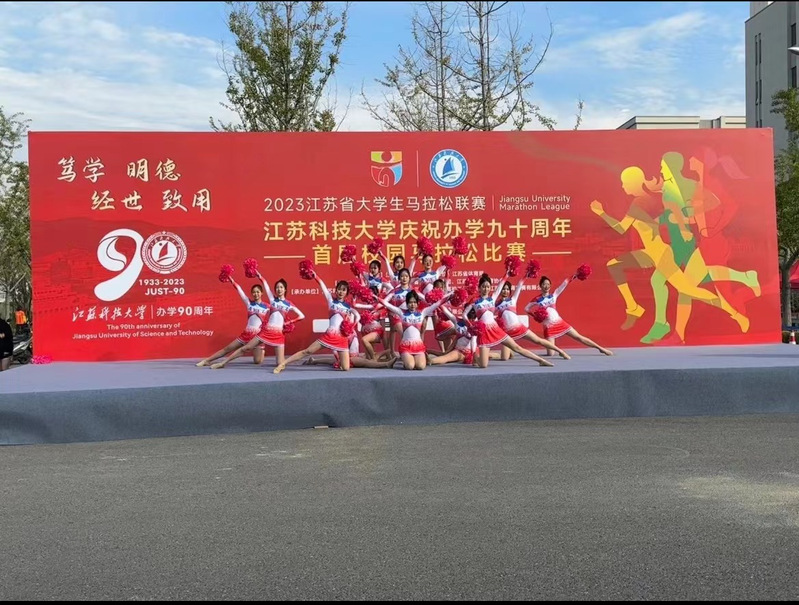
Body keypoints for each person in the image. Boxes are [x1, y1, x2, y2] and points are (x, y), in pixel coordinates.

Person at [209, 272, 304, 369]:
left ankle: (307, 361)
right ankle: (223, 363)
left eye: (281, 287)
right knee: (246, 348)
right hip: (266, 332)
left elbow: (301, 316)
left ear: (285, 289)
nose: (279, 289)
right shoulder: (272, 300)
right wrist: (258, 275)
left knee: (280, 363)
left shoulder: (289, 304)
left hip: (278, 334)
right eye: (277, 287)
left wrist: (289, 322)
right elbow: (265, 284)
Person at [464, 273, 554, 369]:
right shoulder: (474, 300)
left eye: (488, 287)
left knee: (517, 348)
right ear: (479, 288)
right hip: (484, 333)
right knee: (483, 365)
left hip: (496, 330)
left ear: (490, 288)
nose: (486, 289)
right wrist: (470, 325)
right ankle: (475, 357)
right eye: (483, 287)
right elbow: (464, 314)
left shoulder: (493, 298)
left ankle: (541, 360)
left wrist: (507, 273)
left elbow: (501, 284)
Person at [274, 274, 356, 373]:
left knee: (346, 368)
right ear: (336, 290)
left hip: (342, 338)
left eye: (343, 290)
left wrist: (352, 325)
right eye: (339, 289)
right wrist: (315, 276)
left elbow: (357, 316)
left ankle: (321, 361)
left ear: (347, 292)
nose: (341, 292)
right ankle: (283, 364)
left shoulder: (349, 307)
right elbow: (322, 285)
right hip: (329, 335)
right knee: (307, 351)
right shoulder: (331, 301)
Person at [526, 275, 613, 356]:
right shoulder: (537, 299)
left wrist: (575, 275)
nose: (546, 286)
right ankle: (560, 352)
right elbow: (526, 309)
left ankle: (601, 348)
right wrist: (536, 317)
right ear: (540, 286)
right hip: (548, 326)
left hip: (559, 323)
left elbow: (564, 284)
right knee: (550, 354)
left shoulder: (554, 295)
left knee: (578, 337)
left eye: (548, 284)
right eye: (544, 284)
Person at [494, 272, 570, 360]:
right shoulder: (495, 304)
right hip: (507, 332)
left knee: (538, 340)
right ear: (500, 291)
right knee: (504, 358)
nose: (505, 291)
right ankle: (509, 352)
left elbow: (520, 284)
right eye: (503, 289)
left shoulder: (513, 299)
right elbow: (491, 315)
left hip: (519, 328)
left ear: (510, 291)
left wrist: (526, 275)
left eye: (507, 289)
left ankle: (561, 351)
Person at [196, 276, 268, 367]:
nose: (256, 294)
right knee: (228, 349)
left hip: (257, 337)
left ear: (262, 293)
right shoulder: (249, 303)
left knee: (257, 361)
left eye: (258, 292)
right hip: (247, 334)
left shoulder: (267, 307)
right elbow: (239, 290)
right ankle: (207, 360)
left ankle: (262, 351)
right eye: (254, 292)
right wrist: (232, 280)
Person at [381, 289, 451, 370]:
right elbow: (387, 304)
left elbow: (437, 303)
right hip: (406, 347)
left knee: (420, 366)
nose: (412, 304)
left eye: (414, 302)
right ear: (407, 303)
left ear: (418, 303)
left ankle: (416, 359)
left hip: (418, 346)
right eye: (410, 302)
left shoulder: (422, 313)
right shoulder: (401, 312)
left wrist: (450, 294)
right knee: (410, 366)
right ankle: (406, 360)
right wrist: (376, 297)